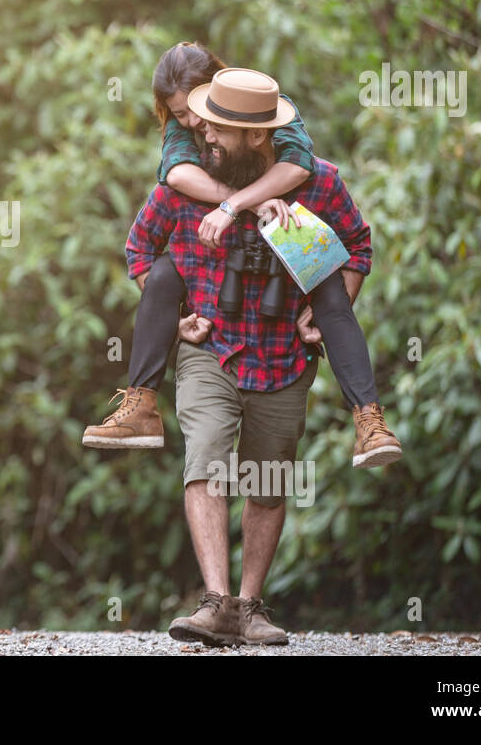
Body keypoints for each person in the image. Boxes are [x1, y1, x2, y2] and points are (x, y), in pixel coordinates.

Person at [117, 67, 396, 644]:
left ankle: (249, 608)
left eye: (219, 129)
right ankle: (215, 603)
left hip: (282, 355)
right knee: (206, 458)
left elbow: (358, 246)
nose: (204, 135)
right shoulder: (185, 180)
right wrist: (173, 315)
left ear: (258, 137)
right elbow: (140, 247)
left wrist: (330, 304)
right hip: (210, 351)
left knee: (267, 482)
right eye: (204, 124)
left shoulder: (317, 183)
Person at [82, 45, 401, 469]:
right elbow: (174, 177)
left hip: (283, 333)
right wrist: (245, 204)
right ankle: (140, 405)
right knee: (161, 272)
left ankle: (369, 420)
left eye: (207, 118)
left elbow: (302, 168)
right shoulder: (189, 133)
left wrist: (246, 207)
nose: (198, 125)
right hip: (213, 323)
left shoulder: (272, 115)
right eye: (184, 115)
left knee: (328, 283)